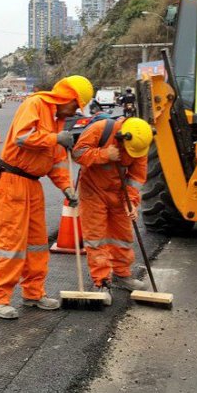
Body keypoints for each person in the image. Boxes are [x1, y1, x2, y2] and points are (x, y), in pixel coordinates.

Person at [0, 75, 94, 320]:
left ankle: (33, 293)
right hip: (13, 181)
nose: (76, 110)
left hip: (33, 184)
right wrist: (55, 138)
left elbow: (55, 160)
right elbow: (22, 138)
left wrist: (66, 187)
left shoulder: (57, 120)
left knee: (37, 244)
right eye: (75, 104)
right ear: (66, 97)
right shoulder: (35, 105)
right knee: (11, 243)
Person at [72, 116, 153, 296]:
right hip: (93, 191)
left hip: (119, 193)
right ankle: (101, 281)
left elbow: (137, 177)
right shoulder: (100, 129)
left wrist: (131, 201)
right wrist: (104, 154)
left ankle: (121, 275)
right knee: (96, 237)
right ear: (123, 136)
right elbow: (77, 154)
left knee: (122, 236)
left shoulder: (140, 144)